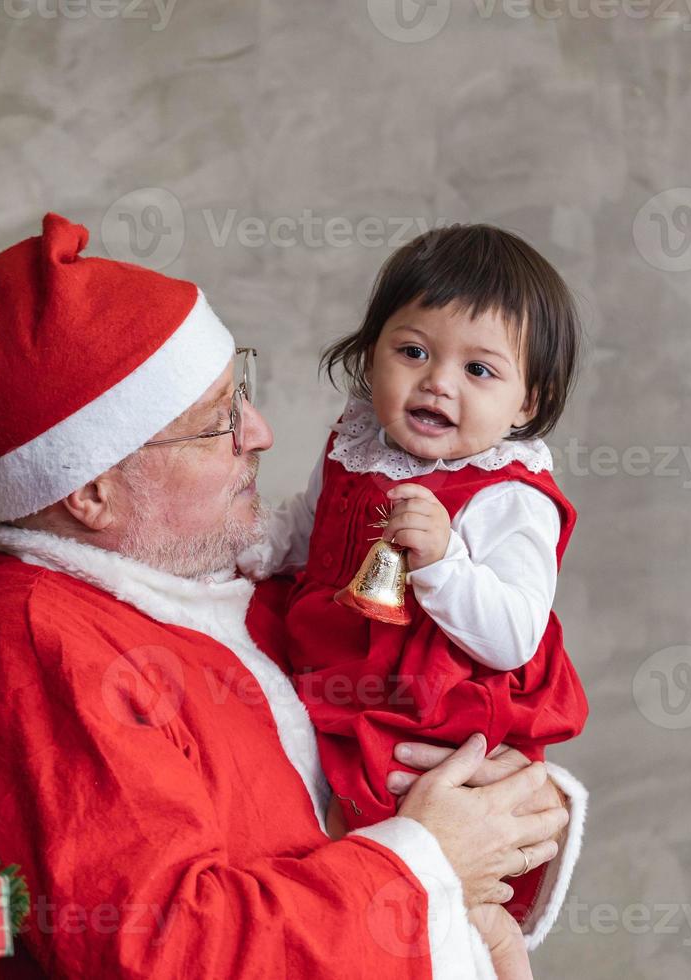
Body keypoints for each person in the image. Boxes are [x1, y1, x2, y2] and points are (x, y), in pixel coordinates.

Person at [0, 213, 588, 978]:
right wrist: (427, 857)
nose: (260, 433)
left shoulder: (236, 590)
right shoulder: (32, 643)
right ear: (93, 492)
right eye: (217, 422)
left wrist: (509, 802)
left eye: (245, 393)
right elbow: (163, 953)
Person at [239, 225, 587, 975]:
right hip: (341, 660)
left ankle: (480, 939)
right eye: (413, 351)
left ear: (529, 401)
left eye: (480, 370)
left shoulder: (507, 497)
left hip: (430, 697)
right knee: (308, 817)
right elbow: (314, 525)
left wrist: (444, 563)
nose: (438, 383)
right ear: (371, 355)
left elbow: (514, 634)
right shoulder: (356, 442)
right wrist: (261, 549)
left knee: (371, 819)